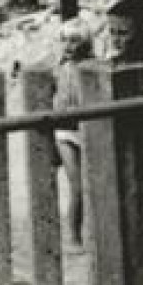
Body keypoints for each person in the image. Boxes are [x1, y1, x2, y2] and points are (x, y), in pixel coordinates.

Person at [50, 17, 94, 252]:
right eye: (64, 40)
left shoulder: (91, 67)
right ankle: (73, 236)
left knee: (91, 184)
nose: (68, 45)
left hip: (87, 129)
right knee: (76, 185)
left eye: (74, 40)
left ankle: (91, 233)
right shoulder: (57, 68)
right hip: (65, 131)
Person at [102, 0, 143, 64]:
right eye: (112, 31)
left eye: (122, 33)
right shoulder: (115, 61)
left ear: (141, 33)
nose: (115, 39)